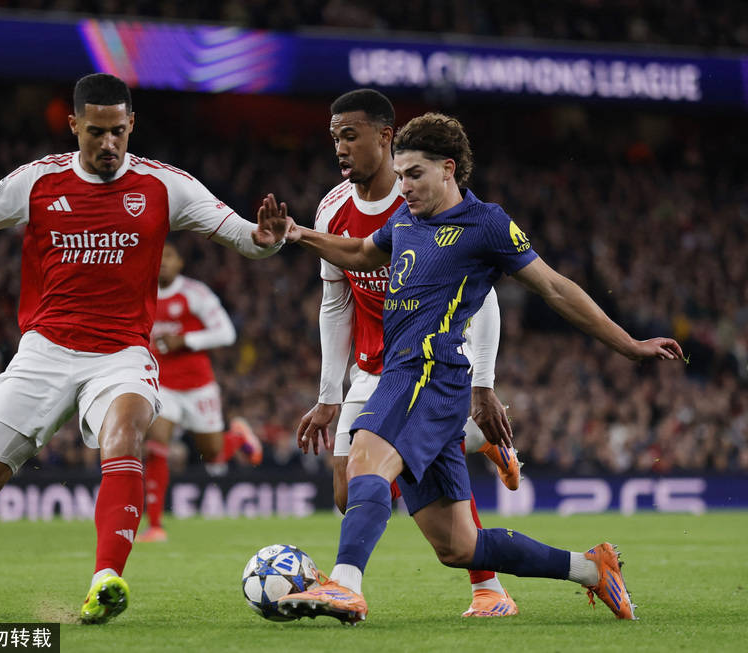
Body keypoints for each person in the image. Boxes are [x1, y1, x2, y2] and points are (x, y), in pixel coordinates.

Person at [0, 73, 289, 623]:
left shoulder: (166, 186)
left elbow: (246, 237)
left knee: (125, 433)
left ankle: (105, 579)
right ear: (74, 125)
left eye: (118, 131)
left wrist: (267, 240)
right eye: (96, 132)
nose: (109, 143)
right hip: (44, 353)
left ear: (132, 124)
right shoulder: (38, 181)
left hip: (122, 355)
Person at [273, 112, 683, 624]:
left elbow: (555, 288)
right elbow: (358, 252)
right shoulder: (405, 220)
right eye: (400, 175)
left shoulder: (486, 223)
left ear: (449, 169)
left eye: (415, 174)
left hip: (428, 372)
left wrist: (629, 345)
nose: (404, 186)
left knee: (365, 462)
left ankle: (345, 585)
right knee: (458, 546)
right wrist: (298, 234)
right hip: (416, 380)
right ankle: (590, 568)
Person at [296, 90, 521, 617]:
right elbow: (336, 303)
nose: (340, 148)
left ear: (385, 137)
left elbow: (485, 297)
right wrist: (329, 395)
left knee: (379, 470)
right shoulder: (332, 209)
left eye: (350, 136)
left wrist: (482, 384)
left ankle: (485, 589)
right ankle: (471, 440)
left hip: (430, 360)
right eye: (334, 138)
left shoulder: (427, 199)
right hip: (373, 367)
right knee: (347, 494)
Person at [138, 241, 262, 543]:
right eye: (159, 256)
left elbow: (227, 333)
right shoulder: (140, 293)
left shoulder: (195, 293)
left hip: (197, 386)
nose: (163, 262)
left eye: (169, 256)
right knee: (155, 445)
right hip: (161, 384)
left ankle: (237, 437)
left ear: (180, 263)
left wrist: (186, 340)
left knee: (213, 455)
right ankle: (155, 526)